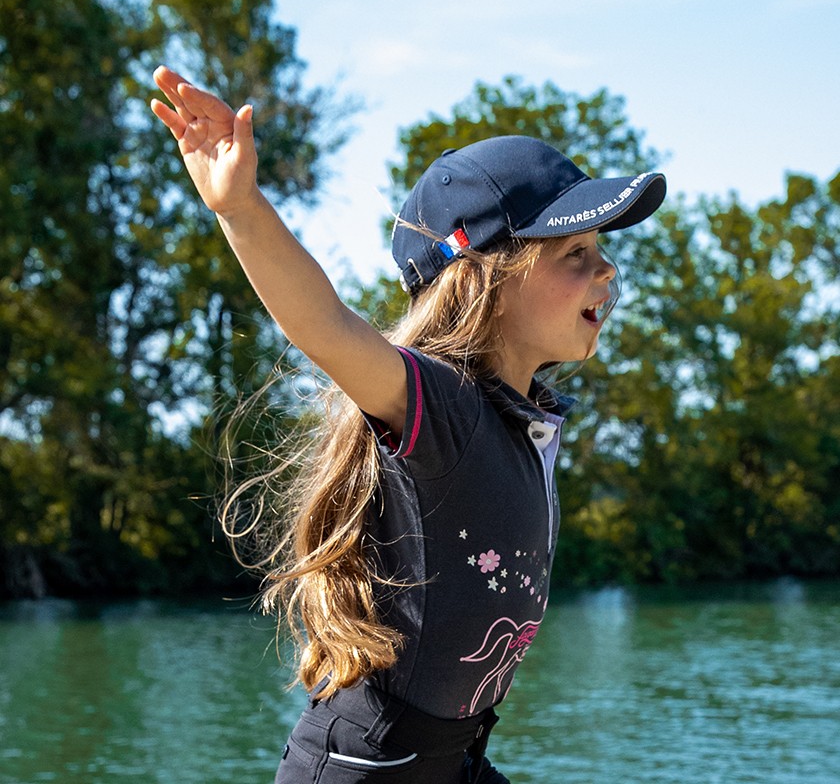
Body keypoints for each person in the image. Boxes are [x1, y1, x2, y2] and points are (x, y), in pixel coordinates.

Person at [150, 65, 666, 784]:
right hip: (367, 767)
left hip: (452, 761)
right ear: (483, 277)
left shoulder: (527, 421)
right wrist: (240, 208)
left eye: (601, 251)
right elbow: (323, 326)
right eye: (575, 253)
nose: (607, 271)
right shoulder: (444, 408)